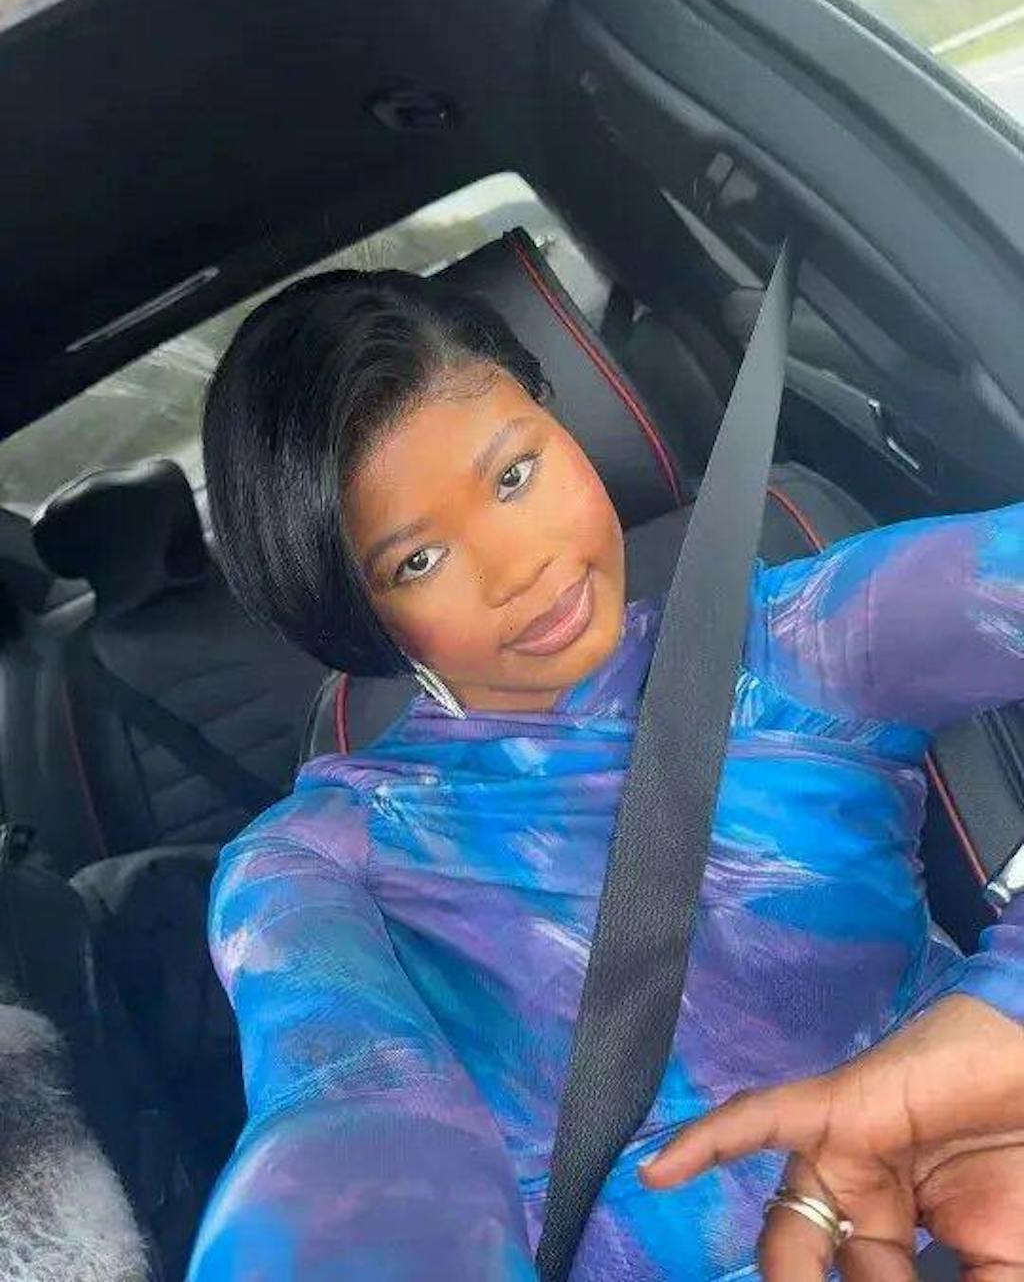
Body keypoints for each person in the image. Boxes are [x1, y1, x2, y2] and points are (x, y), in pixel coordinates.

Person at [187, 269, 1024, 1281]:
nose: (520, 566)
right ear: (356, 612)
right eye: (417, 561)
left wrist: (1004, 1006)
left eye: (513, 475)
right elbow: (347, 1112)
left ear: (559, 420)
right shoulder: (324, 862)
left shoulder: (797, 643)